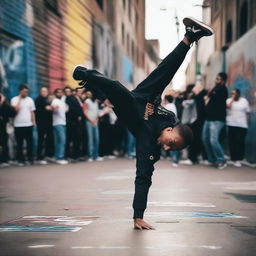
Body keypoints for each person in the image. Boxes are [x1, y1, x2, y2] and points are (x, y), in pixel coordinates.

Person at [73, 17, 213, 230]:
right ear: (170, 130)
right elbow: (161, 84)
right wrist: (155, 93)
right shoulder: (169, 119)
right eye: (171, 143)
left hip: (131, 113)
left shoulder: (150, 148)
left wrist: (138, 216)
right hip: (146, 96)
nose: (166, 147)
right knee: (164, 71)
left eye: (170, 148)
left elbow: (143, 178)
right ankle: (190, 35)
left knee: (119, 93)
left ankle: (89, 80)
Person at [202, 72, 228, 169]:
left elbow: (209, 96)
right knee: (205, 139)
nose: (215, 80)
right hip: (209, 119)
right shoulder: (216, 88)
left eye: (218, 79)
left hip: (217, 120)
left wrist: (209, 95)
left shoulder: (222, 89)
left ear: (222, 81)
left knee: (213, 140)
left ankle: (222, 160)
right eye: (216, 78)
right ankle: (212, 159)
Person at [11, 84, 36, 165]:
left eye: (27, 91)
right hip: (18, 125)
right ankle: (20, 160)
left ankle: (30, 158)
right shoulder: (14, 99)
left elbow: (32, 112)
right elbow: (16, 110)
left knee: (30, 143)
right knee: (19, 143)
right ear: (20, 91)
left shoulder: (30, 100)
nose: (26, 93)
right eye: (24, 91)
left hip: (28, 125)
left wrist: (34, 122)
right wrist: (19, 98)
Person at [226, 89, 250, 167]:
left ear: (239, 94)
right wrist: (233, 99)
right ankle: (233, 158)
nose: (233, 95)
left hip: (242, 125)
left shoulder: (244, 101)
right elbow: (228, 107)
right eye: (232, 93)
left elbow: (247, 113)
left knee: (240, 142)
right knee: (232, 142)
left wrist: (246, 123)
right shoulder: (229, 100)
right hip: (231, 124)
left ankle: (239, 159)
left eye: (235, 94)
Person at [35, 87, 54, 164]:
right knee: (41, 139)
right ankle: (39, 157)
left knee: (49, 139)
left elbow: (50, 107)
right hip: (41, 123)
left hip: (48, 123)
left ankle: (48, 156)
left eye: (46, 91)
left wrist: (51, 106)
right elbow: (48, 108)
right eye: (43, 91)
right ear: (40, 92)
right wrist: (52, 107)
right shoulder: (39, 100)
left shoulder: (47, 100)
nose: (44, 92)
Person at [51, 88, 68, 165]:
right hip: (58, 123)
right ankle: (60, 157)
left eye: (61, 92)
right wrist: (55, 109)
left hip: (62, 123)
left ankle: (57, 157)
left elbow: (66, 110)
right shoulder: (55, 101)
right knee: (62, 140)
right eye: (58, 92)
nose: (60, 93)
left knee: (58, 141)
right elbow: (54, 109)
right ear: (55, 94)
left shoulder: (62, 101)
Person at [83, 91, 102, 161]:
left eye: (90, 94)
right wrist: (91, 120)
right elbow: (85, 112)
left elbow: (97, 112)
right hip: (89, 122)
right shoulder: (86, 101)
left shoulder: (96, 102)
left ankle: (96, 156)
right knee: (90, 139)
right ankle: (90, 156)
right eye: (88, 94)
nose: (89, 95)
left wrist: (96, 120)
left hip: (95, 122)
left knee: (96, 139)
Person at [0, 93, 15, 166]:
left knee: (4, 143)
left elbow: (12, 113)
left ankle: (4, 160)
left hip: (3, 127)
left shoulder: (5, 106)